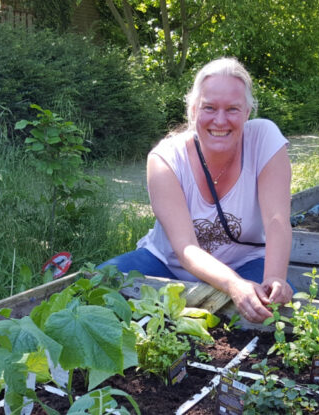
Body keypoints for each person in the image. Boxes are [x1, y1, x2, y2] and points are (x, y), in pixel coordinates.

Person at [100, 57, 293, 323]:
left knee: (268, 310)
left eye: (233, 109)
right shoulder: (165, 158)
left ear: (248, 112)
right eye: (209, 108)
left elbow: (277, 220)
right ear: (192, 111)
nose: (220, 120)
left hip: (245, 263)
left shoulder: (264, 138)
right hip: (168, 265)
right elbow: (186, 248)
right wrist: (234, 285)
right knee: (98, 284)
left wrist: (274, 277)